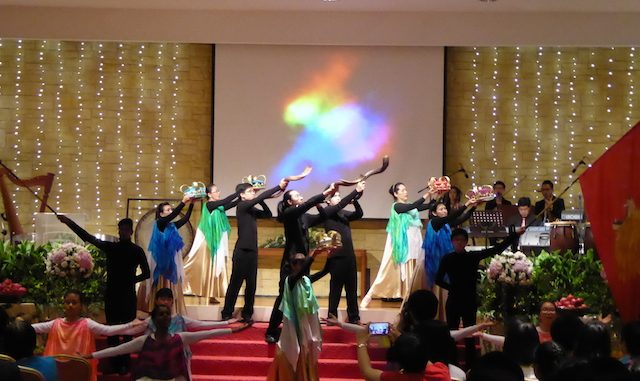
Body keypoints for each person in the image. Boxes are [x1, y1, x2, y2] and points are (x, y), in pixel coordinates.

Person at [57, 214, 150, 373]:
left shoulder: (136, 250)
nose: (124, 232)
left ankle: (124, 364)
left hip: (126, 295)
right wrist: (69, 222)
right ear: (119, 231)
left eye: (126, 230)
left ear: (130, 231)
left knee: (127, 331)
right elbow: (88, 237)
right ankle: (115, 364)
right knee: (112, 331)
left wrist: (131, 281)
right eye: (122, 229)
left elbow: (147, 273)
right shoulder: (112, 247)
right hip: (113, 294)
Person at [85, 304, 248, 381]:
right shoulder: (144, 340)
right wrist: (92, 355)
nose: (165, 317)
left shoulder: (180, 338)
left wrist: (233, 330)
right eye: (161, 314)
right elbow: (117, 350)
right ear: (154, 320)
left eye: (167, 314)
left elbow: (208, 333)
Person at [436, 228, 520, 367]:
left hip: (469, 299)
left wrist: (515, 235)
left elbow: (496, 249)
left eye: (462, 240)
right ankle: (451, 363)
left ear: (465, 242)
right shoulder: (447, 258)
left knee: (471, 333)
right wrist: (452, 288)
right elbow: (438, 279)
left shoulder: (472, 256)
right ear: (452, 242)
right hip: (454, 299)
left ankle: (471, 365)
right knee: (452, 332)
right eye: (456, 240)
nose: (459, 242)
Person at [265, 185, 334, 343]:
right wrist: (324, 194)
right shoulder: (289, 213)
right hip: (291, 262)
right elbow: (305, 204)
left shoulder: (304, 216)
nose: (300, 196)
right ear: (289, 201)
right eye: (297, 195)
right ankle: (271, 330)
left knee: (302, 295)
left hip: (304, 261)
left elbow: (322, 218)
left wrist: (319, 205)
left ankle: (298, 330)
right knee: (284, 296)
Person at [32, 290, 146, 381]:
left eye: (74, 302)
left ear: (81, 306)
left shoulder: (86, 323)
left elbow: (108, 331)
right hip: (57, 369)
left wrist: (130, 325)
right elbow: (35, 328)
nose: (70, 306)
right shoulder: (55, 324)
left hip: (79, 369)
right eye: (67, 302)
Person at [360, 183, 436, 308]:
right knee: (387, 269)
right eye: (402, 190)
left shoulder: (409, 206)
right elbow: (413, 206)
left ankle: (410, 299)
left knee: (415, 270)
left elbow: (428, 206)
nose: (406, 192)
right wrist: (427, 194)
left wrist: (435, 194)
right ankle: (370, 294)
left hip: (414, 242)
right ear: (395, 194)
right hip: (401, 244)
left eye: (406, 189)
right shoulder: (397, 206)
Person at [221, 179, 288, 323]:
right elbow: (260, 197)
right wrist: (277, 187)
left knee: (251, 284)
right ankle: (227, 312)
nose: (253, 193)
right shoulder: (242, 206)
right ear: (242, 195)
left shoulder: (251, 208)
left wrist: (260, 200)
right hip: (241, 251)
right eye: (250, 191)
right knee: (235, 283)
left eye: (253, 191)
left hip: (252, 252)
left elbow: (268, 214)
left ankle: (247, 313)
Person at [267, 247, 333, 381]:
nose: (301, 265)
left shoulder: (305, 280)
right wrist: (312, 256)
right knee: (291, 354)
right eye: (298, 262)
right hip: (292, 328)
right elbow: (300, 273)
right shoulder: (289, 281)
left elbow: (325, 271)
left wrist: (330, 256)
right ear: (291, 265)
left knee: (305, 354)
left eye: (303, 262)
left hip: (303, 327)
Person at [143, 288, 237, 378]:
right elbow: (144, 340)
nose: (166, 302)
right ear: (156, 301)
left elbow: (202, 324)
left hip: (179, 357)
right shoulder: (150, 321)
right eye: (163, 299)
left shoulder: (180, 319)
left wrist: (227, 323)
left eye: (168, 299)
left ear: (172, 301)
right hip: (157, 357)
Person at [309, 182, 365, 324]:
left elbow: (359, 214)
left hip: (349, 256)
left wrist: (355, 202)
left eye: (340, 196)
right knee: (336, 288)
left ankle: (354, 317)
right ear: (328, 200)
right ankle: (332, 316)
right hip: (336, 257)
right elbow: (337, 207)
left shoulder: (343, 213)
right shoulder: (327, 213)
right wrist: (354, 191)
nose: (339, 198)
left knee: (351, 288)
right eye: (335, 196)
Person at [183, 184, 239, 304]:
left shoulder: (219, 208)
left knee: (213, 267)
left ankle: (211, 294)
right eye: (216, 191)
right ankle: (184, 282)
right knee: (204, 265)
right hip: (207, 240)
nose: (218, 192)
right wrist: (238, 192)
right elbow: (226, 201)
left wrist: (241, 196)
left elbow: (231, 204)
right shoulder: (210, 205)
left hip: (215, 241)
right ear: (209, 194)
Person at [143, 195, 194, 315]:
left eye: (171, 209)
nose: (171, 212)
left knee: (172, 285)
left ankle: (172, 311)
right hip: (160, 265)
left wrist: (191, 204)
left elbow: (185, 219)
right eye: (168, 210)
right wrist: (183, 202)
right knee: (160, 285)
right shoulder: (159, 223)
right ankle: (157, 311)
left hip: (171, 264)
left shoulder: (172, 226)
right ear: (161, 214)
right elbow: (173, 216)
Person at [355, 329, 450, 381]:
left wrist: (361, 342)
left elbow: (367, 372)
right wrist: (404, 340)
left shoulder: (397, 378)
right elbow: (420, 354)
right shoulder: (441, 371)